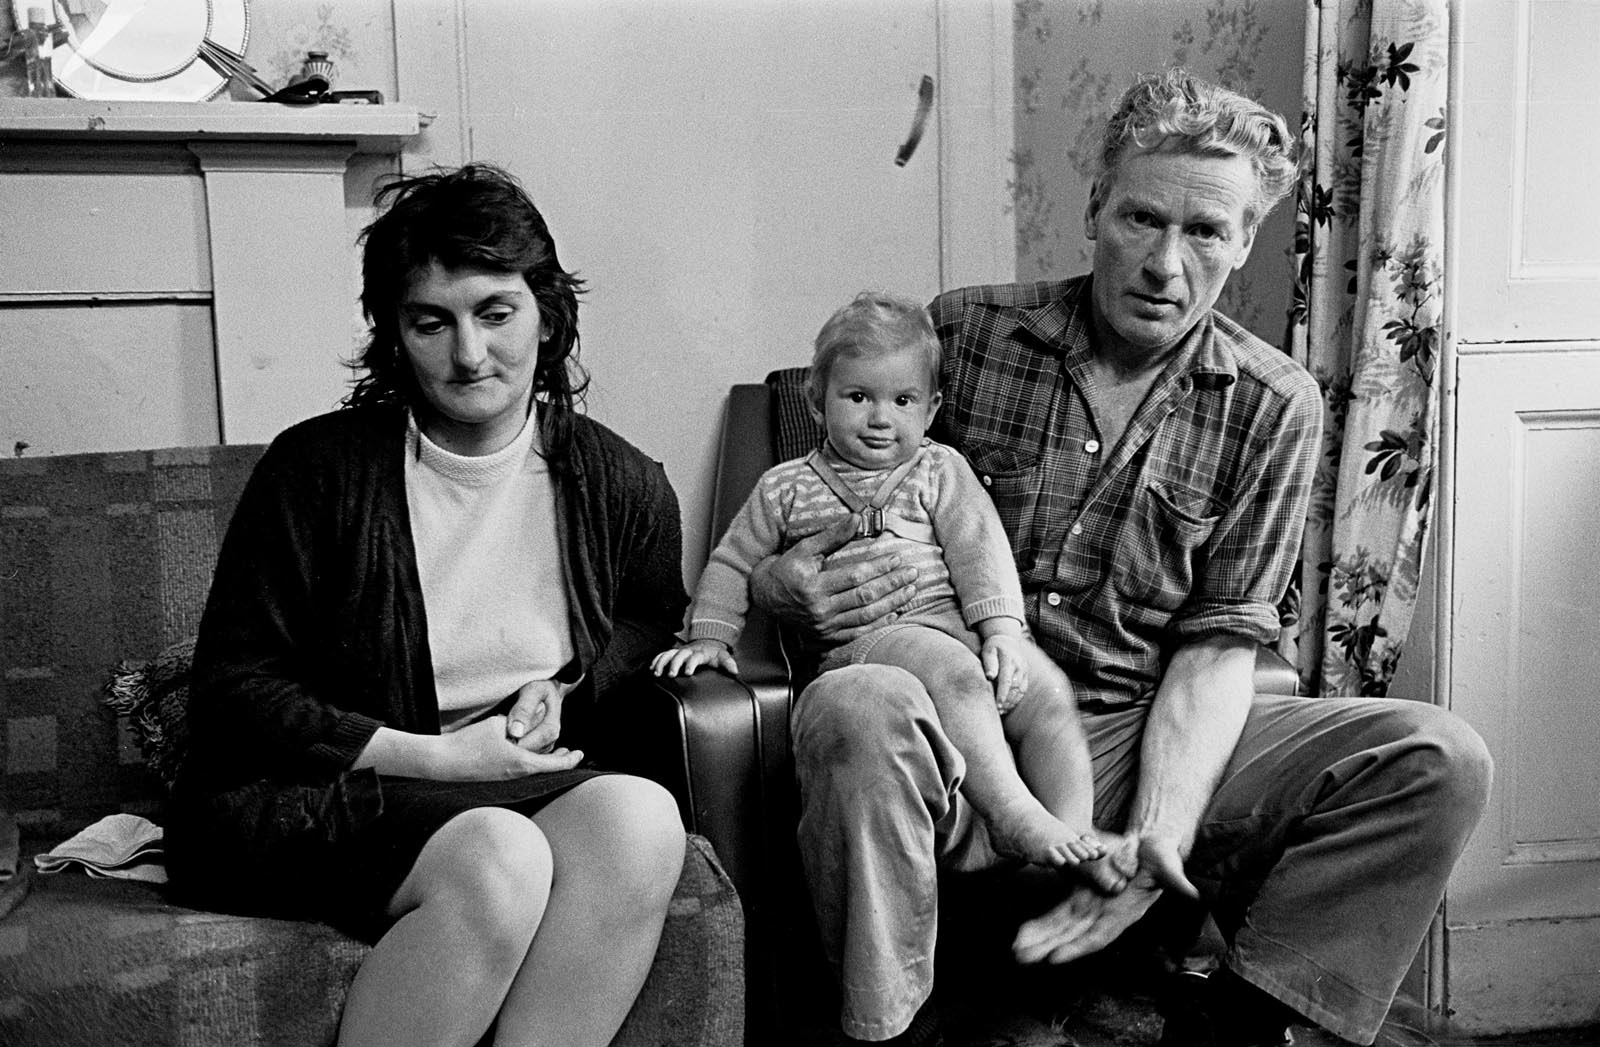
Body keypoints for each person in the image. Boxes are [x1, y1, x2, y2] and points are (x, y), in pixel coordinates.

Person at [750, 69, 1492, 1047]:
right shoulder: (967, 335)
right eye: (1142, 219)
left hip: (1140, 730)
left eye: (1205, 233)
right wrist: (776, 584)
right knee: (855, 700)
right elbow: (819, 515)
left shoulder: (1272, 405)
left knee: (1436, 755)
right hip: (962, 714)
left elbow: (1219, 648)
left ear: (1244, 243)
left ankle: (1239, 1023)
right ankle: (885, 1030)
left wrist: (1161, 836)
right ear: (1094, 210)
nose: (1165, 264)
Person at [165, 163, 691, 1047]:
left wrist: (565, 687)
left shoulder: (622, 481)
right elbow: (233, 689)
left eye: (496, 312)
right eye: (431, 322)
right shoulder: (313, 471)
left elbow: (647, 619)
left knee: (641, 819)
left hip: (506, 775)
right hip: (314, 792)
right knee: (500, 856)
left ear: (547, 314)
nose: (470, 355)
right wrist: (442, 761)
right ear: (394, 334)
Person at [653, 291, 1109, 876]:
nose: (880, 418)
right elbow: (733, 563)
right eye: (859, 396)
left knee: (1048, 693)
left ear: (931, 407)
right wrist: (709, 638)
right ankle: (1013, 814)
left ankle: (1073, 839)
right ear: (817, 402)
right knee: (955, 674)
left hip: (951, 625)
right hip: (868, 643)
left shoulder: (939, 469)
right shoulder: (784, 487)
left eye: (903, 400)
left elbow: (979, 548)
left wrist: (1003, 632)